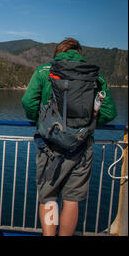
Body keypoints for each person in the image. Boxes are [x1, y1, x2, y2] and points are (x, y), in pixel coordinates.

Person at [21, 38, 117, 236]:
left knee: (48, 197)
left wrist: (42, 123)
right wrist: (85, 127)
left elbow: (28, 102)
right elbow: (109, 111)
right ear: (79, 52)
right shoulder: (94, 75)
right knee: (71, 201)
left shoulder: (44, 71)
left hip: (50, 146)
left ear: (58, 52)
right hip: (81, 147)